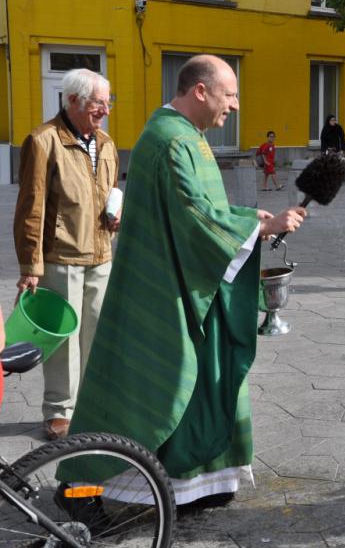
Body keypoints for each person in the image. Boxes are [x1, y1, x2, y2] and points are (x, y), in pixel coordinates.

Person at [65, 55, 307, 509]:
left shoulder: (182, 135)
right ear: (201, 91)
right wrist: (264, 230)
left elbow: (200, 209)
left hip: (188, 278)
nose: (233, 106)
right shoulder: (173, 140)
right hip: (169, 287)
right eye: (229, 95)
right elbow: (193, 216)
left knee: (200, 382)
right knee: (162, 382)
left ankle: (202, 482)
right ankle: (108, 483)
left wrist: (245, 218)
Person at [13, 68, 120, 441]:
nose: (105, 110)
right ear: (73, 100)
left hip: (101, 255)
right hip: (60, 257)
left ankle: (91, 406)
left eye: (108, 102)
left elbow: (108, 191)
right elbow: (31, 206)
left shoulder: (106, 143)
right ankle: (60, 411)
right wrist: (31, 266)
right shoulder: (43, 140)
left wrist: (114, 213)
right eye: (98, 102)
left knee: (97, 337)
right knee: (63, 342)